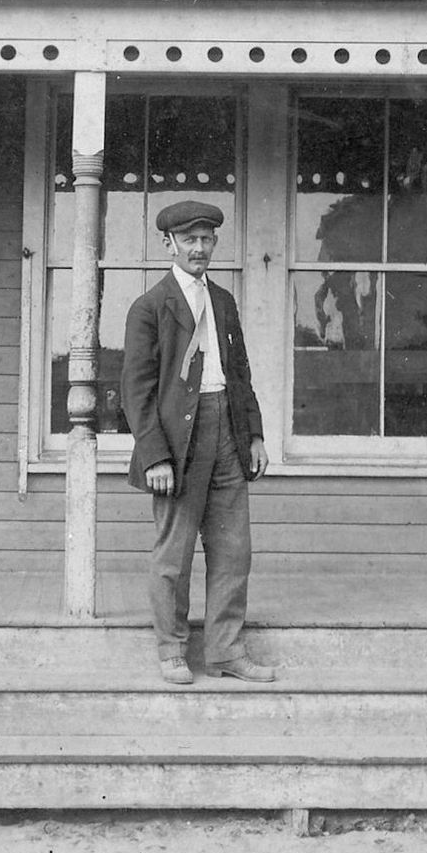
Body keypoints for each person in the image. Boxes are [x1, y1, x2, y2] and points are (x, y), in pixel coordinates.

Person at [120, 201, 276, 686]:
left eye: (207, 239)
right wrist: (155, 456)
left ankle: (226, 651)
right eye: (190, 240)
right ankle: (172, 652)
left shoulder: (223, 302)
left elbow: (241, 375)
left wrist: (254, 434)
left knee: (234, 550)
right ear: (169, 244)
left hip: (226, 430)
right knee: (174, 554)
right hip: (176, 443)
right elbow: (136, 391)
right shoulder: (149, 307)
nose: (200, 248)